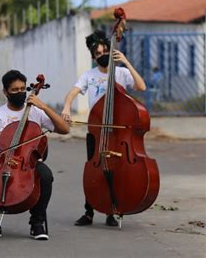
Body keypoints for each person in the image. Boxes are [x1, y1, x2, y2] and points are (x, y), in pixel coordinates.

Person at [0, 70, 70, 240]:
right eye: (14, 90)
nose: (20, 92)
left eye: (23, 89)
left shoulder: (36, 112)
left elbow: (64, 129)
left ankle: (37, 223)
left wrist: (42, 106)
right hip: (3, 160)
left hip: (28, 162)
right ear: (5, 92)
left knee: (46, 176)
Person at [61, 30, 147, 227]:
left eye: (104, 52)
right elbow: (72, 93)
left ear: (111, 51)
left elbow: (141, 87)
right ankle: (89, 212)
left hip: (119, 132)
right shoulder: (89, 76)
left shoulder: (121, 73)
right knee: (94, 171)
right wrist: (67, 107)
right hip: (97, 131)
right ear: (93, 57)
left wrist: (126, 62)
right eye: (98, 54)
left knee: (118, 171)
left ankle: (113, 210)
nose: (102, 56)